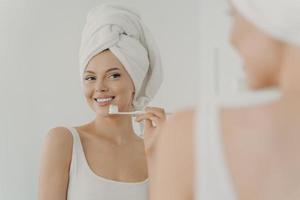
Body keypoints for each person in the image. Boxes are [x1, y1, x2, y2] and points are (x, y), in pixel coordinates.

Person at [150, 0, 300, 199]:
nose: (232, 38)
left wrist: (157, 156)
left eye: (234, 15)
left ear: (272, 15)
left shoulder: (191, 135)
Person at [38, 3, 166, 200]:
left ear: (135, 82)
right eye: (90, 78)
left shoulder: (153, 149)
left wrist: (159, 153)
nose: (99, 87)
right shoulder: (63, 141)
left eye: (113, 75)